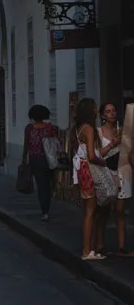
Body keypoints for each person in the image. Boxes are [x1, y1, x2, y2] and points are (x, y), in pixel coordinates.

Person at [72, 98, 108, 261]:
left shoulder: (78, 129)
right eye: (94, 108)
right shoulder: (89, 129)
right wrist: (103, 163)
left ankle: (90, 249)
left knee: (88, 211)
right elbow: (92, 156)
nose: (96, 111)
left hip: (81, 170)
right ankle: (87, 251)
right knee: (90, 211)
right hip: (89, 170)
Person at [98, 102, 130, 254]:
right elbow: (97, 155)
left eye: (114, 110)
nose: (112, 113)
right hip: (106, 173)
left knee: (120, 210)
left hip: (122, 172)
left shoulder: (121, 130)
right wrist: (112, 144)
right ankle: (100, 244)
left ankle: (121, 247)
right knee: (104, 211)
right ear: (102, 115)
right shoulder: (98, 132)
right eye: (108, 111)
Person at [22, 104, 56, 222]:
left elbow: (26, 144)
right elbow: (54, 143)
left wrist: (23, 159)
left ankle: (44, 211)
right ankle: (47, 206)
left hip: (35, 159)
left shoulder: (29, 128)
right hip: (49, 159)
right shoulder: (49, 127)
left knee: (41, 186)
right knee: (48, 185)